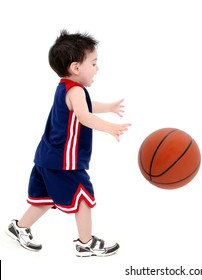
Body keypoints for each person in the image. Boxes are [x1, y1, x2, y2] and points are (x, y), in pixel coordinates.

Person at [5, 30, 131, 256]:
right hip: (65, 162)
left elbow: (86, 107)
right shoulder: (76, 91)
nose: (97, 68)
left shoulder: (66, 87)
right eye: (93, 63)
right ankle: (86, 243)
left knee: (45, 199)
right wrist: (110, 127)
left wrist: (109, 107)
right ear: (75, 68)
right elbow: (85, 116)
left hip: (47, 157)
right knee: (83, 195)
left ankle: (19, 227)